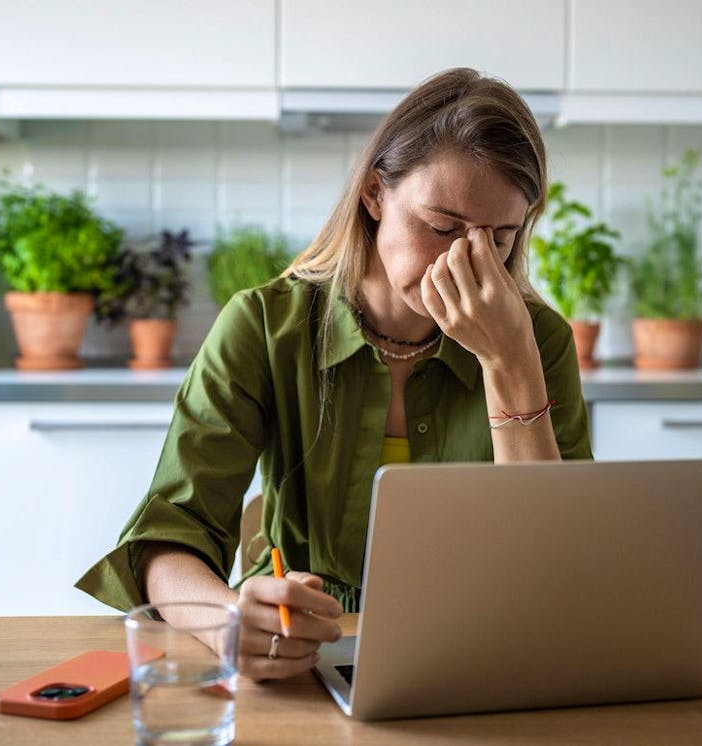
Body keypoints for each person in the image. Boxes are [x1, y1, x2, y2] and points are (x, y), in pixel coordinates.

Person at [76, 67, 593, 681]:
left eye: (499, 239)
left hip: (484, 652)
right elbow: (167, 537)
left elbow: (555, 569)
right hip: (302, 652)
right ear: (375, 194)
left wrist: (508, 363)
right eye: (441, 228)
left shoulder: (538, 342)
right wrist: (228, 622)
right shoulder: (264, 326)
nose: (467, 264)